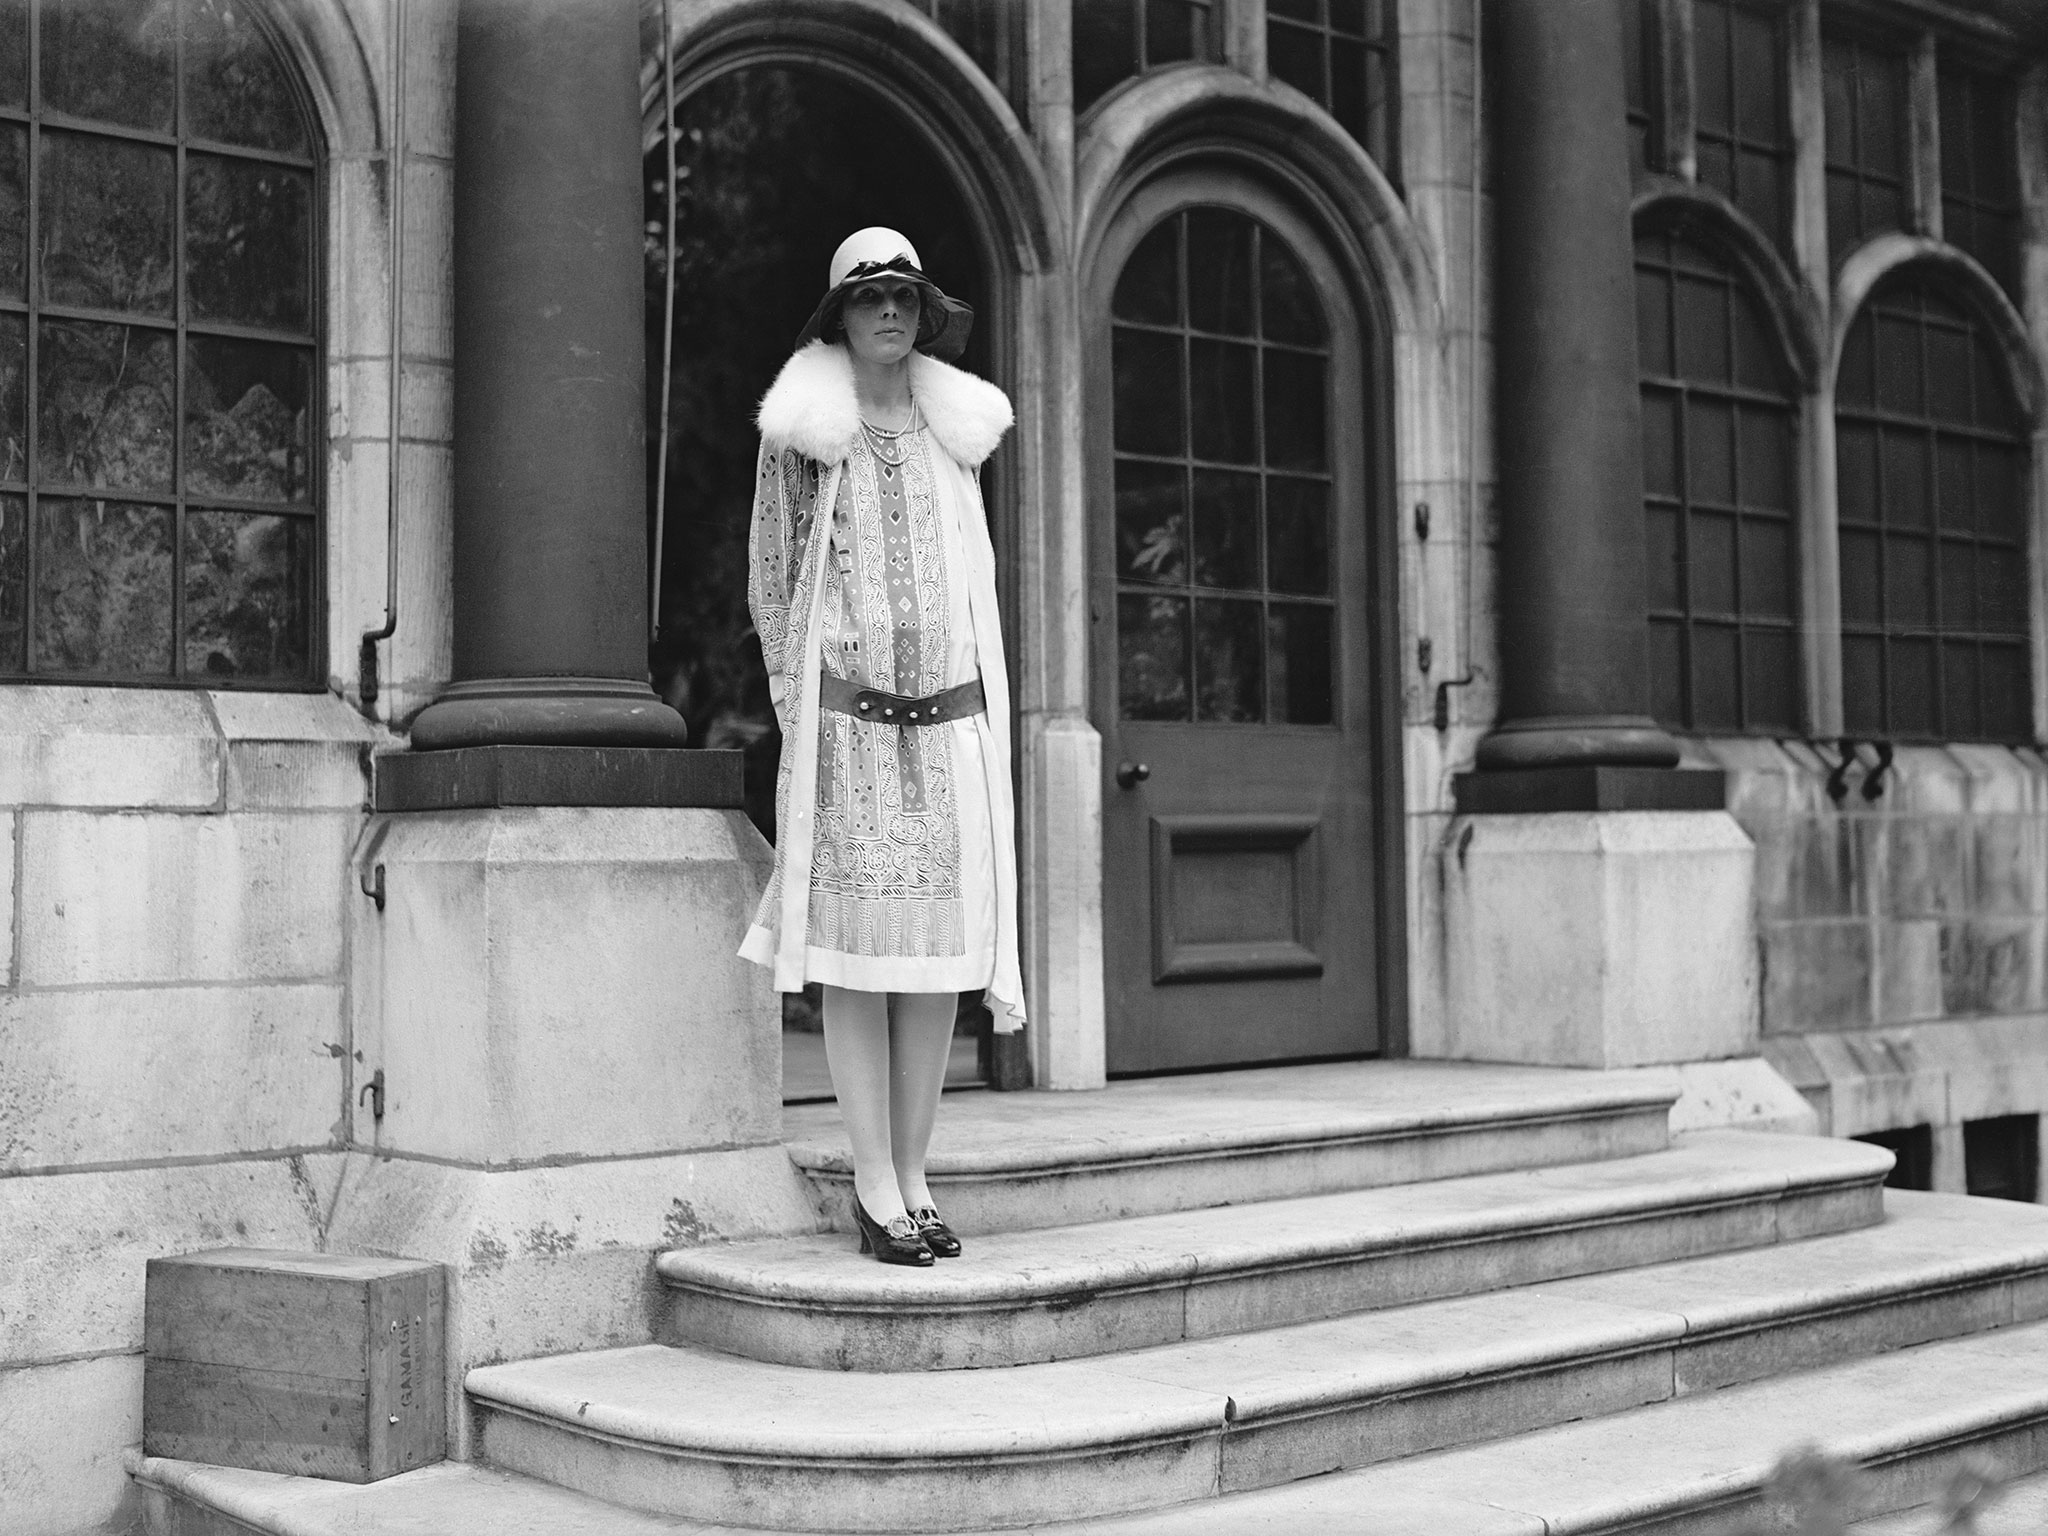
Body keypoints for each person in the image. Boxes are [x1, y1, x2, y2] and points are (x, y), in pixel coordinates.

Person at [741, 228, 1026, 1266]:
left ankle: (915, 1175)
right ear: (840, 319)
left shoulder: (952, 436)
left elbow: (967, 584)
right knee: (861, 966)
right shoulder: (804, 439)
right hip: (849, 735)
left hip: (946, 730)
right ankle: (870, 1184)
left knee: (937, 964)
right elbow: (772, 580)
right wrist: (802, 709)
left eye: (904, 299)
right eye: (870, 302)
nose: (890, 315)